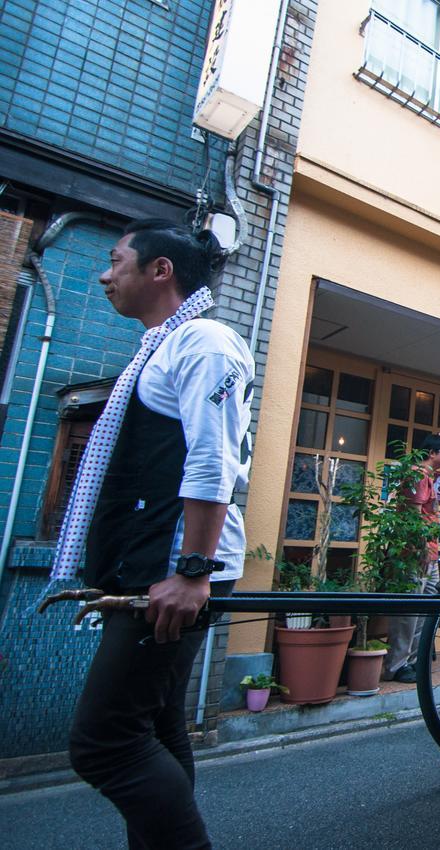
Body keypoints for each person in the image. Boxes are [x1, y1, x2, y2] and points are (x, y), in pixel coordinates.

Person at [50, 220, 253, 849]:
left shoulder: (204, 342)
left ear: (160, 270)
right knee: (157, 727)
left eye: (116, 262)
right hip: (152, 565)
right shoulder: (161, 348)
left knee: (104, 740)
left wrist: (193, 568)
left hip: (171, 570)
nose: (106, 275)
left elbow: (212, 459)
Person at [384, 435, 440, 684]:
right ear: (432, 452)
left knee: (426, 606)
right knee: (409, 608)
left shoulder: (428, 477)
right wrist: (422, 548)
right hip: (415, 554)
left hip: (429, 555)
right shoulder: (416, 474)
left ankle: (413, 661)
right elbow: (413, 515)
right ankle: (396, 665)